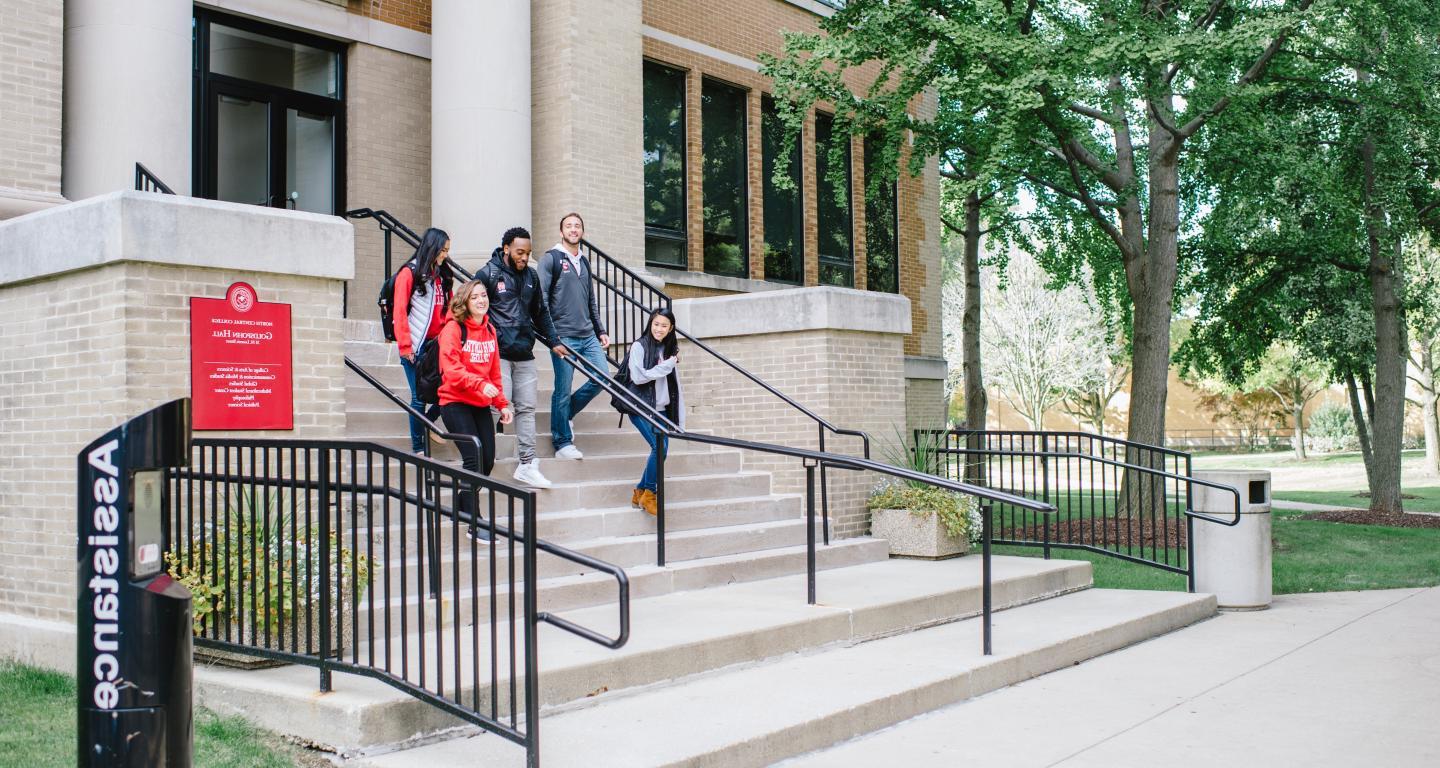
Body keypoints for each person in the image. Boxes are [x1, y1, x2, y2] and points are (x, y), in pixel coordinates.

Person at [475, 226, 566, 488]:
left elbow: (541, 313)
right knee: (495, 407)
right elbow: (472, 309)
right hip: (497, 354)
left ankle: (527, 463)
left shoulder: (532, 277)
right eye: (519, 252)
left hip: (525, 353)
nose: (524, 257)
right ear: (506, 249)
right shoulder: (488, 274)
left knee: (526, 408)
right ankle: (482, 462)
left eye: (527, 253)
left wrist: (554, 341)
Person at [438, 281, 514, 539]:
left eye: (484, 295)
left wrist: (502, 403)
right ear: (465, 302)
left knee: (488, 460)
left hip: (480, 403)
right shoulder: (453, 328)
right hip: (454, 402)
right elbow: (452, 371)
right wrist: (480, 384)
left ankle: (462, 500)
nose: (481, 300)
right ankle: (475, 521)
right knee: (473, 457)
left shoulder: (490, 330)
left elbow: (494, 372)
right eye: (475, 297)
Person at [535, 212, 610, 460]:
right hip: (563, 336)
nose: (573, 229)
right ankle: (562, 442)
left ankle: (565, 414)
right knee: (562, 388)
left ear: (582, 232)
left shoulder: (584, 262)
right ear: (561, 232)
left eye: (577, 226)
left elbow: (591, 301)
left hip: (588, 334)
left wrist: (601, 330)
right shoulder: (551, 259)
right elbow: (541, 299)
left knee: (603, 378)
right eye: (568, 226)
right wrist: (552, 337)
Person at [393, 227, 455, 453]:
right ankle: (418, 447)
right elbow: (399, 312)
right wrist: (405, 346)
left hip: (436, 346)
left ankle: (427, 423)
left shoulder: (442, 275)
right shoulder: (408, 274)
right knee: (419, 397)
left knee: (448, 390)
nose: (445, 255)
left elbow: (449, 309)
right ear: (432, 247)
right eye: (443, 250)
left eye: (447, 251)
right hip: (415, 346)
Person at [623, 307, 684, 516]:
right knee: (659, 448)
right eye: (656, 324)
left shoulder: (669, 350)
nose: (659, 329)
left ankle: (640, 491)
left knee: (661, 451)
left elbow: (672, 384)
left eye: (664, 326)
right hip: (640, 407)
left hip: (662, 411)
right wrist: (668, 365)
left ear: (671, 328)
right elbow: (639, 377)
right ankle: (650, 494)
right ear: (650, 324)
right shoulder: (639, 346)